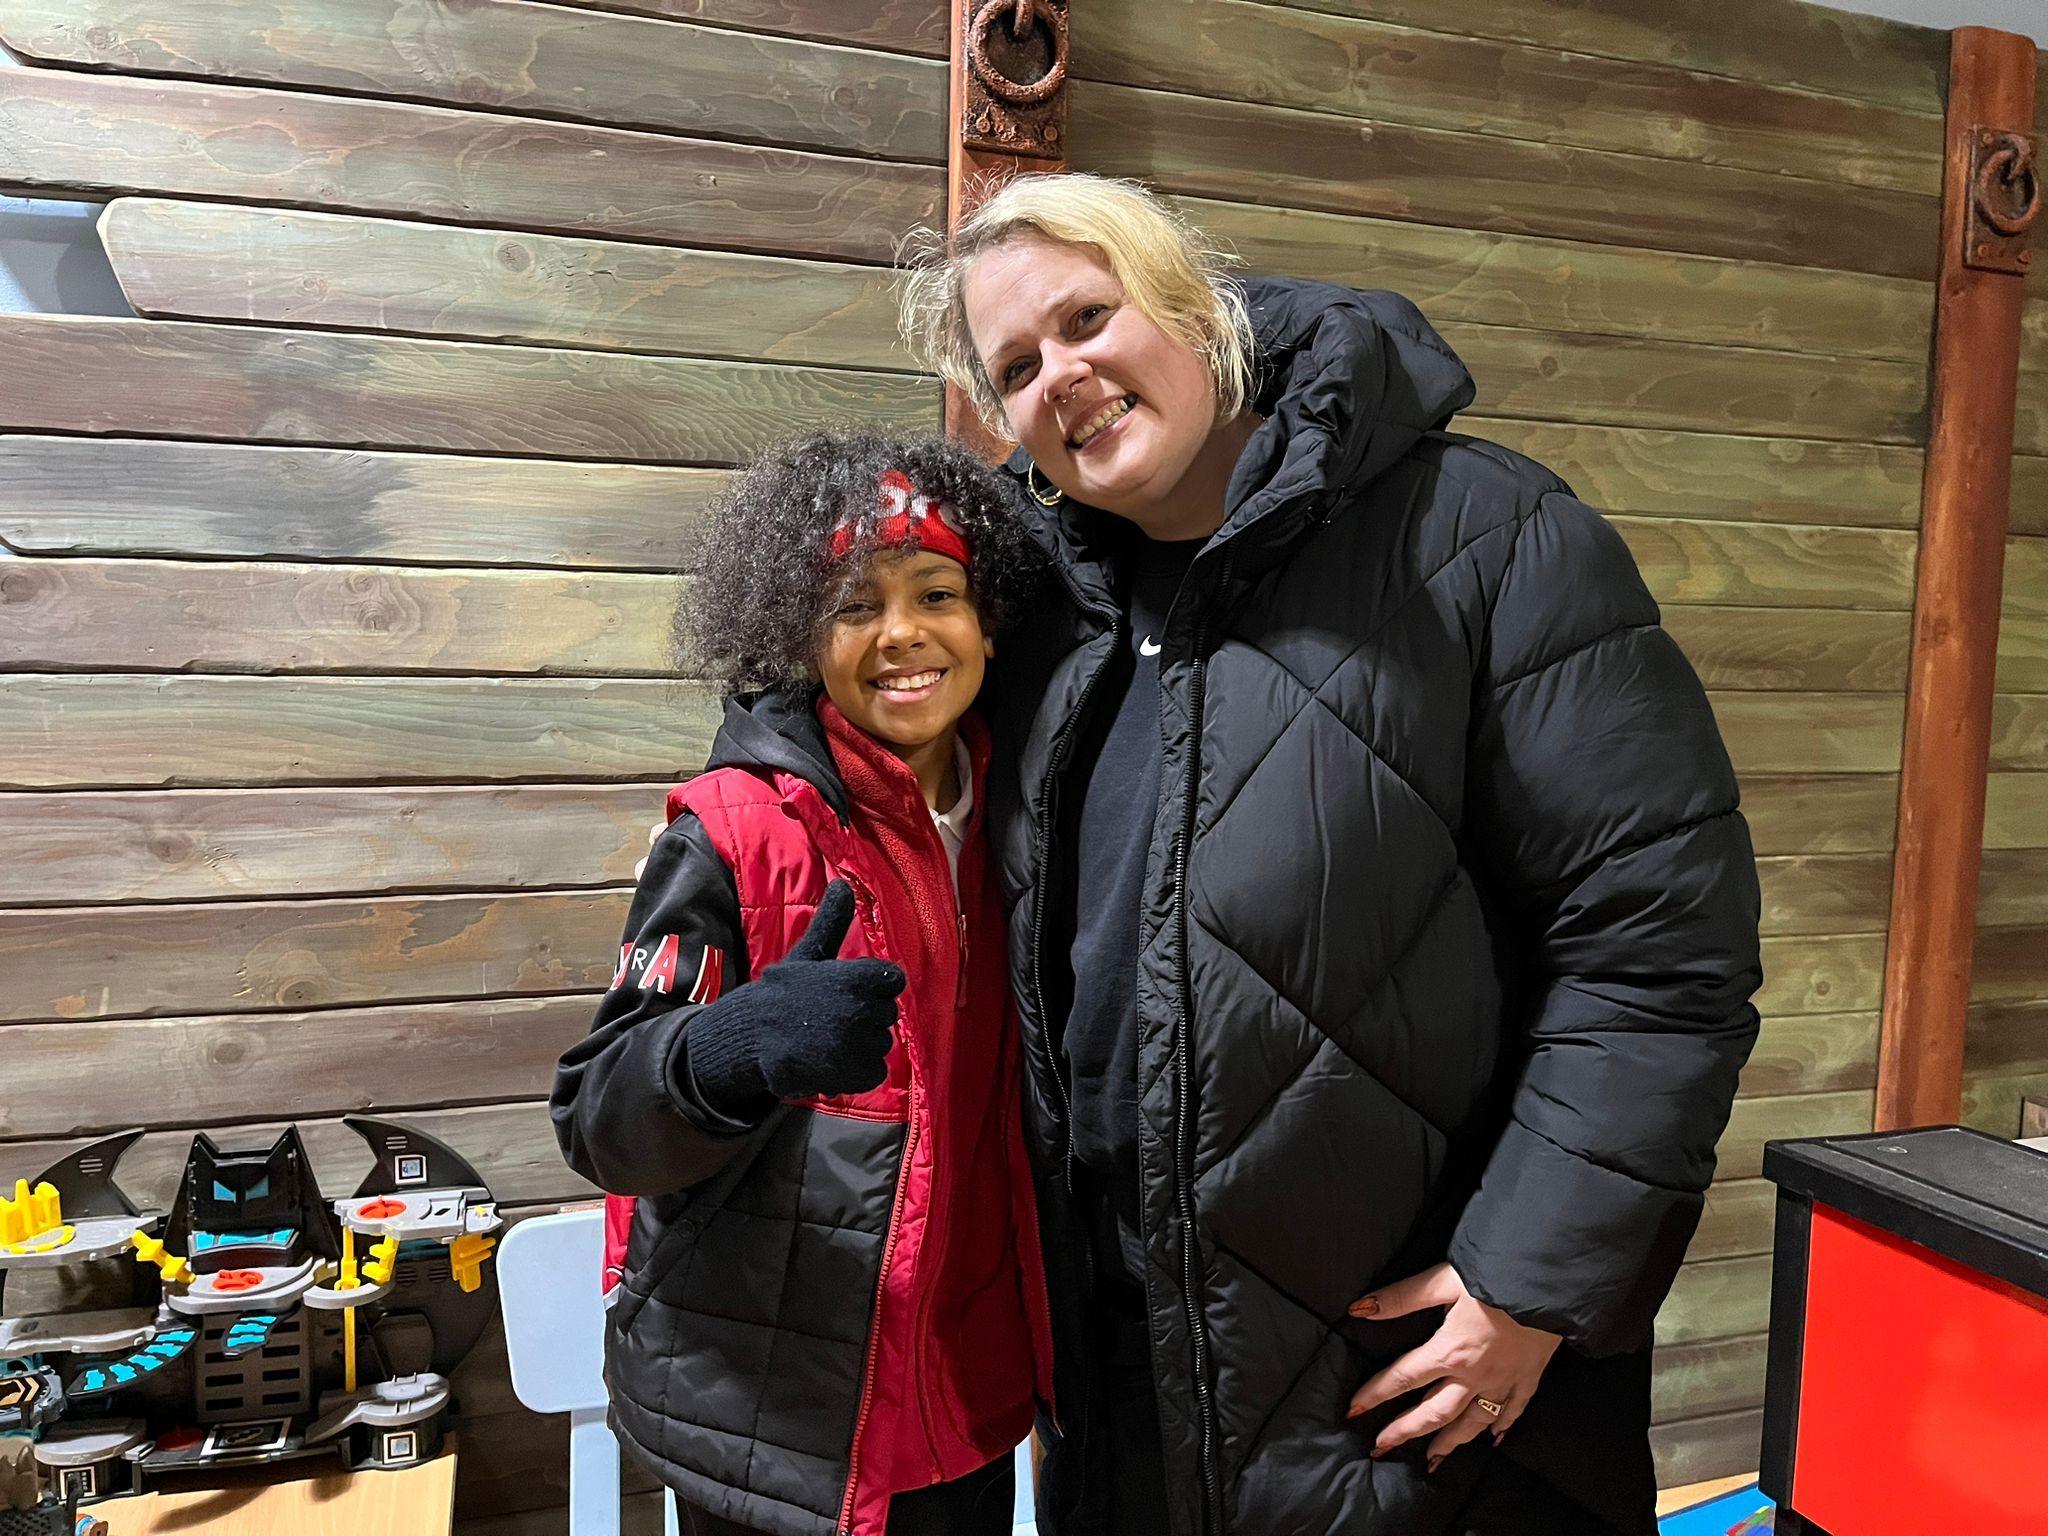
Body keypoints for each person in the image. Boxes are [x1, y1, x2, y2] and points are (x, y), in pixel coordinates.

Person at [897, 174, 1764, 1535]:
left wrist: (1533, 1285)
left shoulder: (1488, 541)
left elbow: (1660, 944)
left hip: (1413, 1412)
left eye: (1087, 316)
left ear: (1191, 304)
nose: (1062, 376)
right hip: (1125, 1405)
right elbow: (832, 680)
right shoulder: (1039, 611)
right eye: (1016, 365)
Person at [549, 431, 1053, 1536]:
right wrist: (720, 1054)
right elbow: (597, 1116)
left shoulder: (1033, 819)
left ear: (990, 618)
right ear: (797, 632)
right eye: (852, 606)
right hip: (764, 1427)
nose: (903, 635)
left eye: (937, 593)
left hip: (964, 1404)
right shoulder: (731, 828)